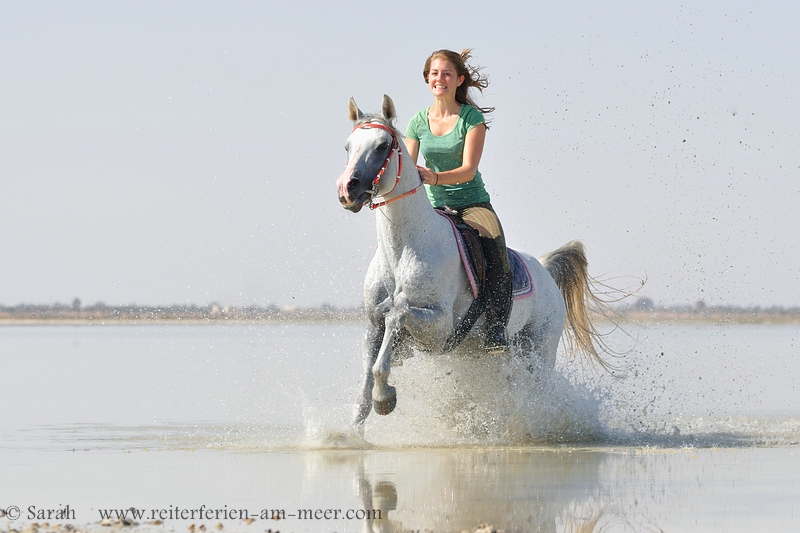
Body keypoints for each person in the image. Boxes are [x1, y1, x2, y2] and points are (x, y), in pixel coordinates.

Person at [405, 48, 512, 354]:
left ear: (459, 79)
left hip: (471, 204)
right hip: (434, 207)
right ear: (428, 79)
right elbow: (412, 171)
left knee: (495, 249)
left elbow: (468, 170)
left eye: (447, 74)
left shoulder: (471, 118)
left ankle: (495, 326)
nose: (440, 79)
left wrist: (435, 177)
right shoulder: (416, 122)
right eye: (435, 73)